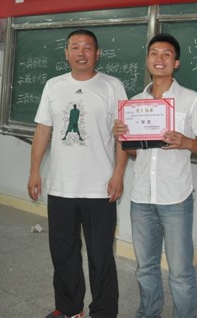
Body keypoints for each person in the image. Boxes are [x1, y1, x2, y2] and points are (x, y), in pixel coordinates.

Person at [27, 29, 128, 318]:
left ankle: (104, 312)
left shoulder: (112, 86)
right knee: (63, 252)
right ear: (66, 53)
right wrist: (34, 172)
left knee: (100, 255)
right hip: (61, 186)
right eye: (75, 47)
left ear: (98, 53)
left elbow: (124, 134)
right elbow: (43, 130)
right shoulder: (53, 86)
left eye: (87, 47)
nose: (81, 53)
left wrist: (118, 174)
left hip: (99, 188)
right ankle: (69, 308)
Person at [114, 33, 197, 318]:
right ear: (147, 60)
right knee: (145, 267)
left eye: (166, 54)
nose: (159, 59)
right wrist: (121, 137)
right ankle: (148, 313)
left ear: (176, 63)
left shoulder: (191, 100)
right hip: (142, 197)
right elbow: (136, 152)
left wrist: (186, 142)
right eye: (154, 53)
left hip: (175, 197)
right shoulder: (134, 104)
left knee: (180, 272)